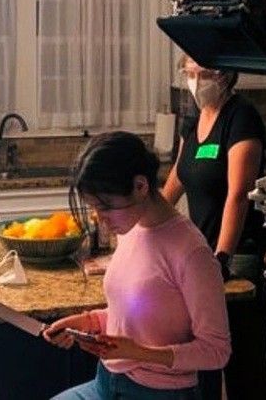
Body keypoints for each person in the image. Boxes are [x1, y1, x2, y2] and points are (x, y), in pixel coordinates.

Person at [44, 131, 231, 399]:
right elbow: (139, 311)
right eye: (94, 208)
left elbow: (217, 351)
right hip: (106, 383)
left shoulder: (192, 254)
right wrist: (90, 322)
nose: (100, 219)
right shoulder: (129, 229)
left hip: (159, 392)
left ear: (141, 186)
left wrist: (138, 353)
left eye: (105, 207)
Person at [162, 57, 266, 400]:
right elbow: (174, 184)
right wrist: (139, 225)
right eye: (190, 74)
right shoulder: (194, 121)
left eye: (204, 74)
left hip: (238, 257)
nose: (196, 82)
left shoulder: (241, 118)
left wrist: (221, 259)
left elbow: (238, 195)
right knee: (205, 356)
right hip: (202, 258)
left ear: (226, 74)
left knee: (245, 364)